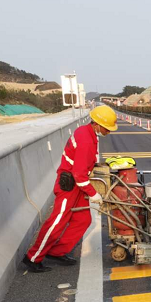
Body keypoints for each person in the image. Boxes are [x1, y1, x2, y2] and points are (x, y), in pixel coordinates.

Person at [22, 105, 118, 272]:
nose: (108, 131)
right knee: (57, 221)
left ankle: (57, 252)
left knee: (83, 220)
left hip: (78, 184)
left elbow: (82, 167)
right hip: (70, 185)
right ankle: (33, 257)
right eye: (107, 128)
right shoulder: (86, 140)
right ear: (96, 124)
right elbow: (79, 174)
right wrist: (94, 194)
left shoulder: (86, 132)